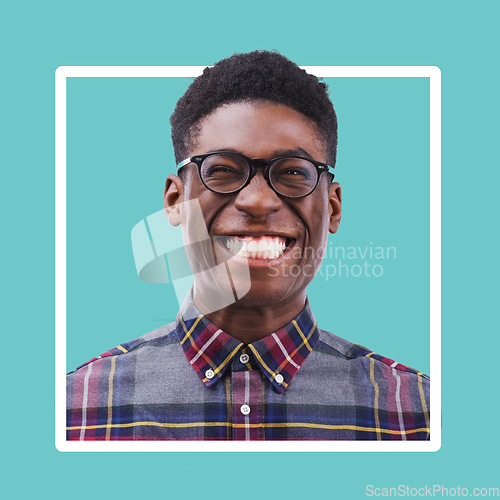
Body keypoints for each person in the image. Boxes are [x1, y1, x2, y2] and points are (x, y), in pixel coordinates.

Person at [66, 51, 430, 441]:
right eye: (222, 170)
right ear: (175, 201)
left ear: (333, 207)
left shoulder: (421, 414)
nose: (257, 201)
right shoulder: (72, 410)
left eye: (293, 172)